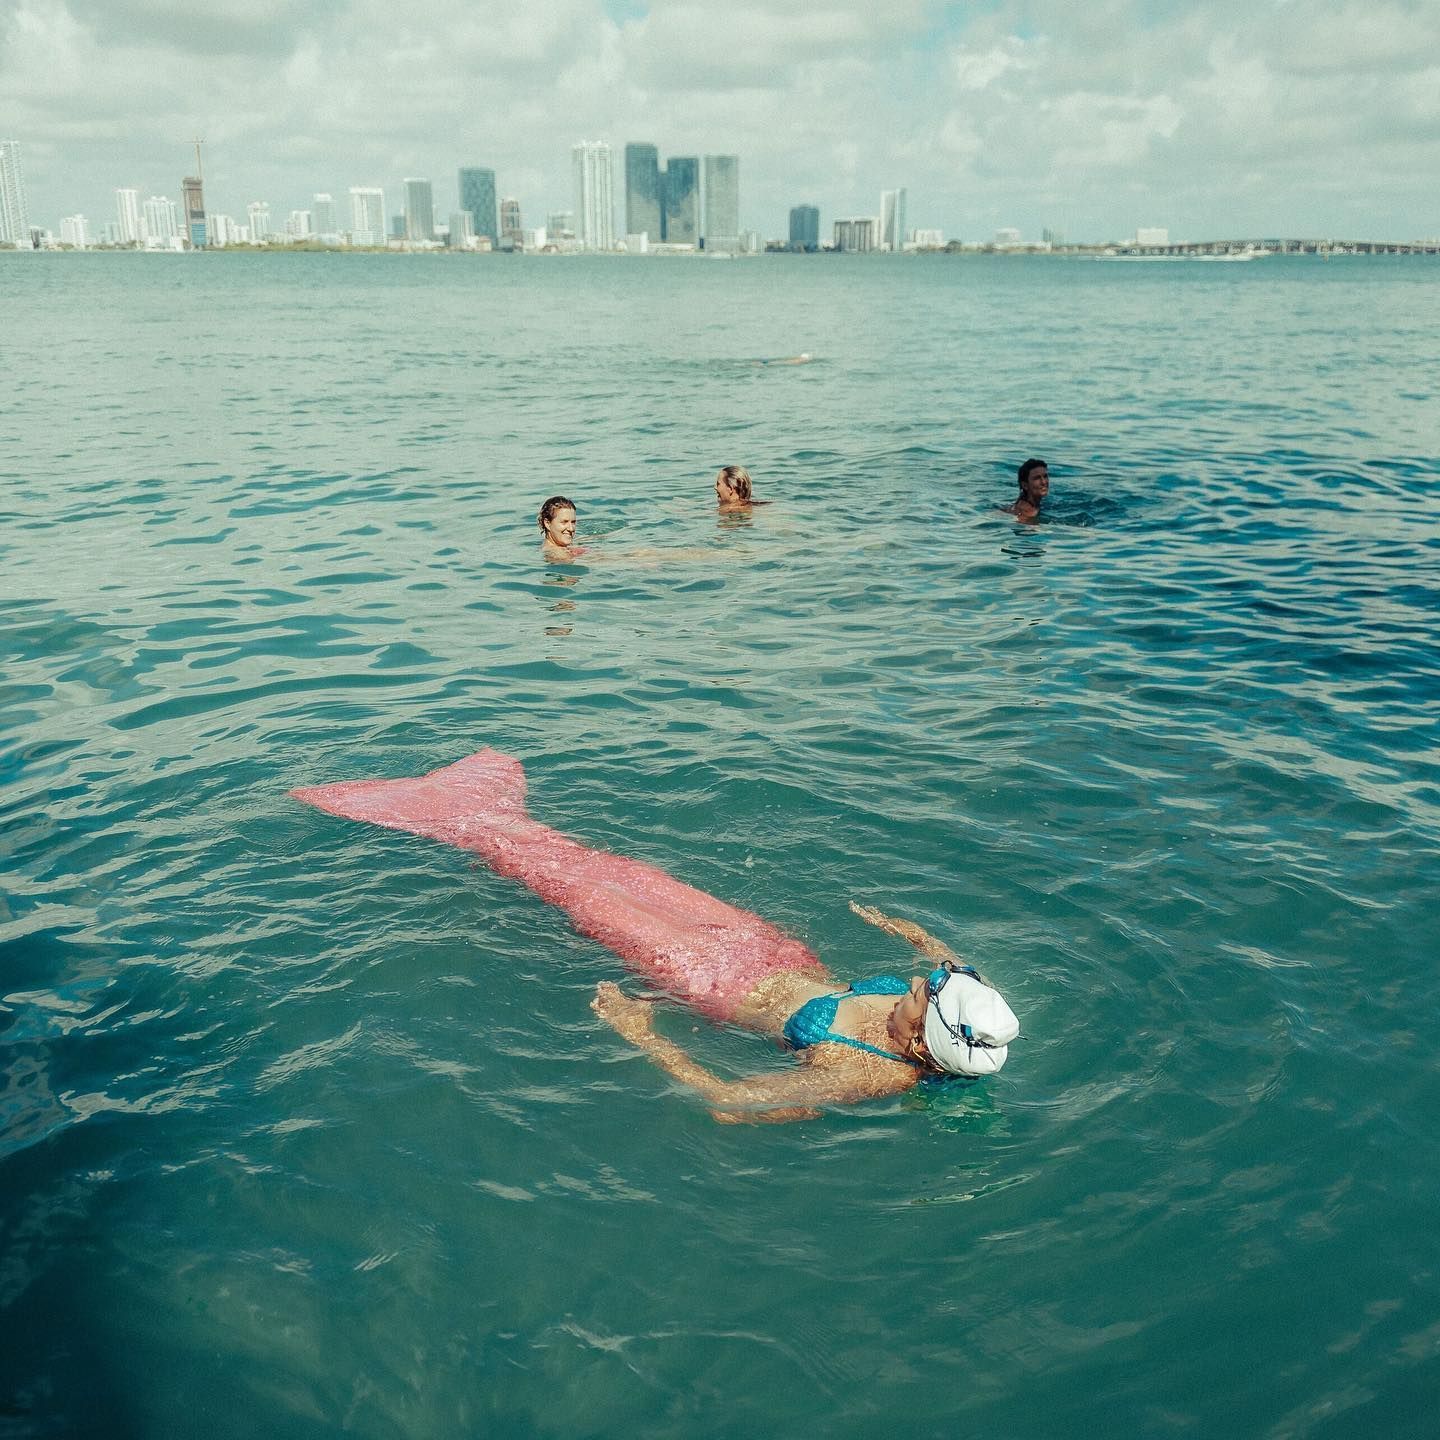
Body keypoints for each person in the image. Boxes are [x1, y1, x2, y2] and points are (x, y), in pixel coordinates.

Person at [292, 749, 1020, 1124]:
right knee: (611, 868)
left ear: (925, 1041)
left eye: (929, 991)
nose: (925, 977)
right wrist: (903, 927)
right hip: (762, 948)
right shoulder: (932, 1005)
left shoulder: (870, 1073)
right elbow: (941, 955)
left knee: (572, 888)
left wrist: (642, 1034)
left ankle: (445, 818)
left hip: (708, 979)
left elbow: (733, 1101)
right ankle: (474, 801)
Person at [537, 495, 584, 559]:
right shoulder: (559, 555)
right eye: (564, 522)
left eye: (573, 522)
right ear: (547, 523)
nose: (571, 528)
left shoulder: (559, 546)